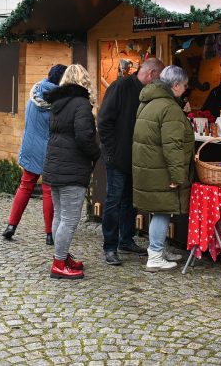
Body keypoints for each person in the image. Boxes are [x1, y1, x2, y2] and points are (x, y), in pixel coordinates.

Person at [97, 57, 164, 266]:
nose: (159, 82)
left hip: (137, 158)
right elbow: (104, 121)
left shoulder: (148, 94)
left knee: (131, 202)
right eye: (158, 78)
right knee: (114, 201)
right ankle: (110, 246)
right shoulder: (121, 87)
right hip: (117, 157)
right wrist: (112, 151)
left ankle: (126, 240)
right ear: (151, 74)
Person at [132, 65, 195, 272]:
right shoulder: (170, 108)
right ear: (175, 85)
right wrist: (178, 175)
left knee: (157, 210)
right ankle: (156, 256)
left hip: (149, 167)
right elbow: (173, 146)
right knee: (161, 212)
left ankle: (157, 250)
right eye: (184, 85)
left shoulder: (148, 102)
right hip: (161, 169)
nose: (185, 89)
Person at [42, 64, 101, 279]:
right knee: (69, 218)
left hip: (55, 165)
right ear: (84, 81)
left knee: (60, 215)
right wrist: (96, 153)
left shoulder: (57, 103)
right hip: (72, 168)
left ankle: (62, 255)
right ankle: (59, 263)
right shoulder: (81, 104)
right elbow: (85, 137)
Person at [2, 64, 67, 244]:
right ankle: (49, 234)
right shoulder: (58, 103)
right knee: (48, 191)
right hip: (48, 151)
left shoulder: (34, 94)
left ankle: (11, 226)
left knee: (25, 186)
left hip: (30, 147)